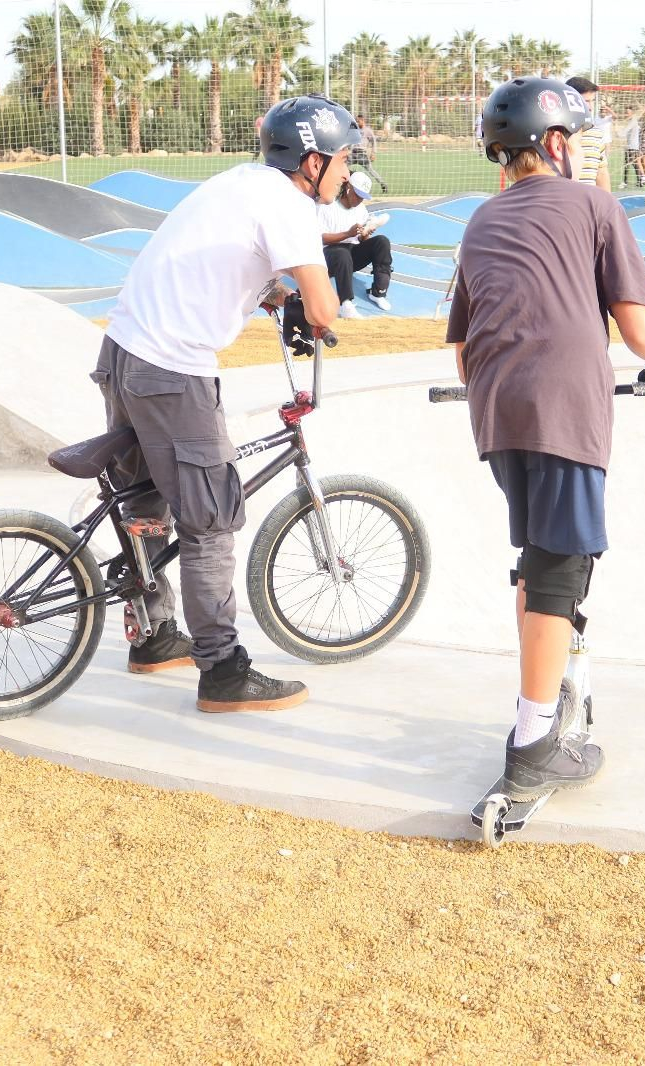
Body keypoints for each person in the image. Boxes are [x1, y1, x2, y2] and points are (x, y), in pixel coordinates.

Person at [447, 76, 645, 798]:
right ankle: (531, 743)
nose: (587, 153)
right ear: (554, 144)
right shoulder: (594, 203)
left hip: (494, 413)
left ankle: (542, 706)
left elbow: (460, 349)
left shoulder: (482, 221)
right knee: (559, 565)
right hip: (562, 408)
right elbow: (638, 322)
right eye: (581, 140)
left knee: (540, 557)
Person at [94, 95, 353, 713]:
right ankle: (223, 671)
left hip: (122, 351)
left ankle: (155, 634)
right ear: (312, 162)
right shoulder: (288, 205)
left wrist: (265, 289)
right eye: (344, 161)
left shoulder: (241, 183)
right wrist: (318, 308)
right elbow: (322, 308)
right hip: (173, 371)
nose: (347, 174)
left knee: (145, 505)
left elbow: (223, 260)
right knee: (210, 520)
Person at [317, 170, 391, 316]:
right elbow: (320, 238)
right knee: (342, 252)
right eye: (357, 195)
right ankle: (345, 303)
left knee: (382, 242)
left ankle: (378, 293)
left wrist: (364, 235)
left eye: (363, 197)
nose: (359, 200)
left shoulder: (361, 210)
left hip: (350, 256)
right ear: (348, 188)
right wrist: (347, 234)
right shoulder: (326, 206)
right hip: (327, 257)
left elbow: (359, 240)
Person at [564, 76, 611, 191]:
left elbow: (602, 174)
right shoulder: (552, 135)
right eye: (585, 101)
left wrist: (608, 205)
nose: (590, 107)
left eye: (592, 101)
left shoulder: (596, 134)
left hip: (589, 207)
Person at [351, 115, 388, 192]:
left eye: (358, 121)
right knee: (342, 166)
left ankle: (383, 184)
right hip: (353, 154)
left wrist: (373, 153)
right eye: (356, 121)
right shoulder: (355, 129)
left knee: (371, 171)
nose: (357, 123)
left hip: (362, 155)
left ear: (363, 120)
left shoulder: (368, 130)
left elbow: (373, 141)